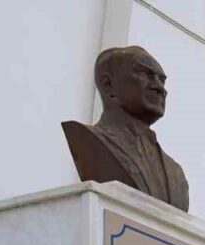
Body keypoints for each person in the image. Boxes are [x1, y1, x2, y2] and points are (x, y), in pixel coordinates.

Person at [62, 46, 190, 211]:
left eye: (162, 80)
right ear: (108, 85)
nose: (160, 88)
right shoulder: (88, 139)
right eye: (145, 74)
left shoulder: (176, 174)